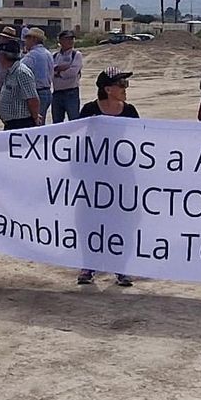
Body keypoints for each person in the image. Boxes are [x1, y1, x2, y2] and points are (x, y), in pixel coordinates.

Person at [75, 67, 139, 286]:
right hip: (94, 174)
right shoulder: (90, 110)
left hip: (121, 173)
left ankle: (120, 267)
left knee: (122, 221)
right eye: (122, 85)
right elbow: (78, 139)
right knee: (89, 220)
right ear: (108, 89)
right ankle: (88, 265)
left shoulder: (129, 111)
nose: (125, 89)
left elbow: (142, 140)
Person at [0, 39, 42, 130]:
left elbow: (32, 99)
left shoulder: (21, 73)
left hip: (21, 123)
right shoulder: (10, 71)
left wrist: (35, 117)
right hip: (12, 123)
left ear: (3, 56)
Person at [51, 30, 84, 123]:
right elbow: (50, 70)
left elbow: (73, 72)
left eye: (72, 39)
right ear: (60, 41)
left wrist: (59, 73)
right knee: (57, 122)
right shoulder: (55, 56)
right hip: (57, 93)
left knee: (74, 121)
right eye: (67, 39)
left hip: (71, 92)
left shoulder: (76, 55)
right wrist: (60, 68)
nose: (70, 41)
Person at [22, 28, 55, 123]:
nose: (25, 41)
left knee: (33, 122)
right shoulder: (48, 53)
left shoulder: (32, 56)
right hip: (47, 91)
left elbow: (20, 71)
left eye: (27, 38)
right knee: (41, 121)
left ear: (34, 39)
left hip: (37, 93)